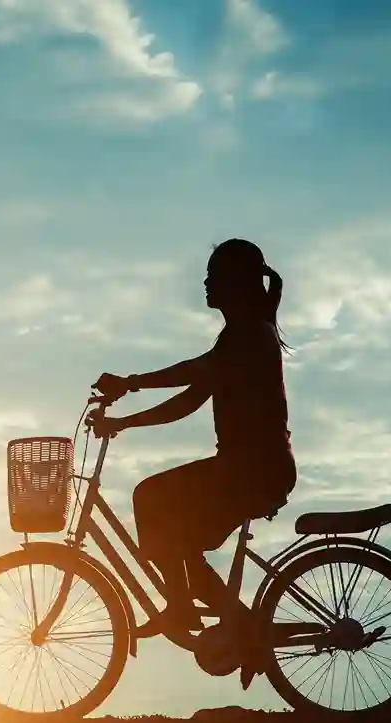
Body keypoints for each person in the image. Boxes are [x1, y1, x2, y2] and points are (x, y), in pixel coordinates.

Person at [86, 238, 297, 689]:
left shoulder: (248, 334)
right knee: (171, 528)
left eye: (214, 275)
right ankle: (233, 624)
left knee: (152, 498)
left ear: (235, 283)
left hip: (254, 469)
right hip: (248, 467)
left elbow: (192, 373)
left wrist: (131, 384)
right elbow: (189, 399)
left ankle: (183, 608)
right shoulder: (240, 334)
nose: (205, 282)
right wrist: (125, 421)